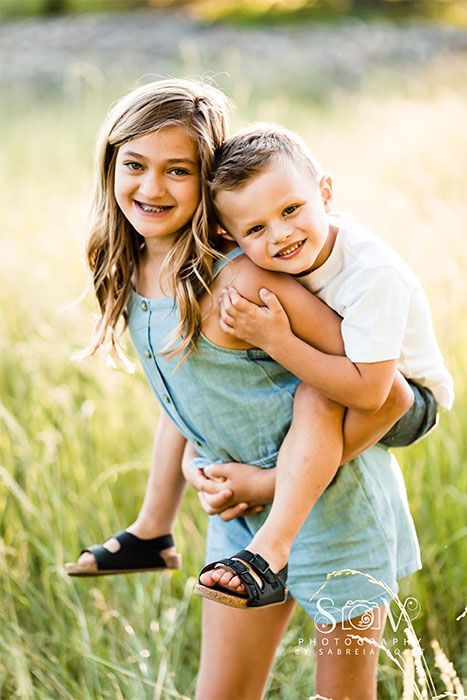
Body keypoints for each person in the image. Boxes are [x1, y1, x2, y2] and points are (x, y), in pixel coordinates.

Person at [66, 78, 423, 699]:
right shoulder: (133, 268)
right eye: (135, 165)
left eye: (177, 171)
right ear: (110, 164)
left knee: (342, 695)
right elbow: (186, 403)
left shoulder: (240, 283)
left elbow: (387, 394)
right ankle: (154, 536)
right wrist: (160, 518)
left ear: (208, 185)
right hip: (239, 520)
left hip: (337, 512)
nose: (151, 188)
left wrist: (269, 482)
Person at [195, 122, 453, 604]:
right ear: (227, 236)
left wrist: (277, 341)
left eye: (292, 209)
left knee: (317, 392)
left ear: (325, 193)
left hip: (410, 398)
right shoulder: (265, 262)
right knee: (308, 389)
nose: (281, 234)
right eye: (256, 228)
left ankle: (270, 546)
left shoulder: (371, 273)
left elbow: (374, 393)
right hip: (357, 375)